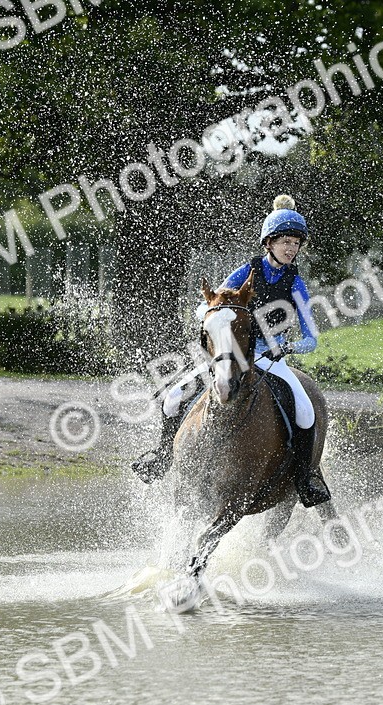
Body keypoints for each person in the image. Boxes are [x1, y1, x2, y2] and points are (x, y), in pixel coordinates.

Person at [131, 194, 331, 507]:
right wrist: (210, 317)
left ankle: (306, 477)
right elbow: (212, 304)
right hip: (233, 355)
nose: (291, 249)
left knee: (306, 412)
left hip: (270, 358)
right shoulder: (244, 273)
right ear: (269, 243)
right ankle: (161, 456)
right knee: (172, 399)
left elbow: (311, 339)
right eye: (285, 242)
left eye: (295, 243)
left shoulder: (296, 285)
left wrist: (286, 347)